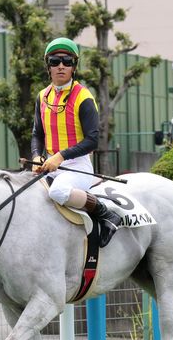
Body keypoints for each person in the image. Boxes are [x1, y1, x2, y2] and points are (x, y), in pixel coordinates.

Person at [31, 37, 122, 248]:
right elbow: (37, 134)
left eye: (67, 61)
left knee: (57, 192)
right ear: (48, 66)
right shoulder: (42, 96)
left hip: (78, 166)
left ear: (74, 66)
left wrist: (60, 156)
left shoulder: (84, 97)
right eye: (55, 61)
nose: (61, 66)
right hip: (50, 166)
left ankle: (107, 215)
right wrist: (36, 156)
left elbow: (92, 140)